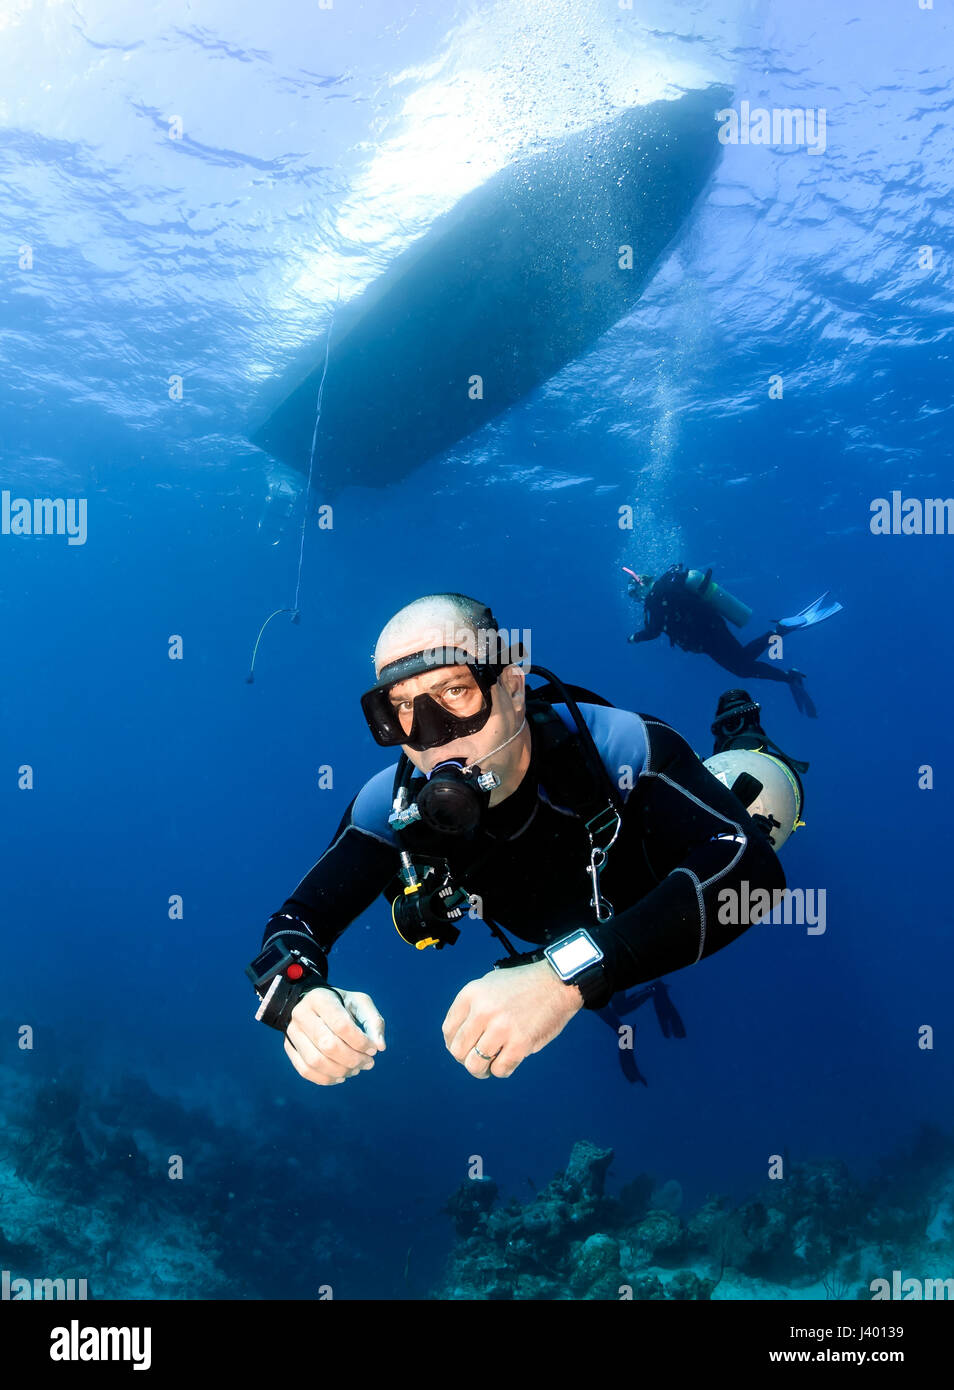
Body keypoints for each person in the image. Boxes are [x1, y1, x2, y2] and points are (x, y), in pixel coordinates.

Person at [246, 592, 785, 1088]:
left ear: (510, 686)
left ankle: (745, 738)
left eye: (454, 691)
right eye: (403, 707)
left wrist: (560, 977)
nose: (432, 737)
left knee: (765, 802)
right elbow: (294, 926)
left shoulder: (620, 750)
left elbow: (754, 871)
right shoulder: (391, 807)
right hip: (588, 939)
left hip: (655, 879)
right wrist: (298, 997)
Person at [626, 564, 842, 717]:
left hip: (706, 637)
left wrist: (634, 638)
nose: (637, 599)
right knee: (743, 665)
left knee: (742, 665)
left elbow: (653, 631)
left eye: (635, 594)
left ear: (642, 584)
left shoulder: (655, 600)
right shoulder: (671, 583)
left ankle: (781, 632)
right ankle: (789, 676)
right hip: (711, 629)